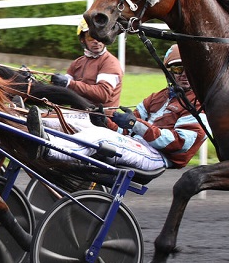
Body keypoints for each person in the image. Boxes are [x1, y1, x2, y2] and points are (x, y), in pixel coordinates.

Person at [41, 44, 208, 171]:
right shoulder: (157, 97)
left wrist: (136, 125)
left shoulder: (198, 104)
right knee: (84, 120)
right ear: (169, 72)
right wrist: (106, 122)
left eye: (189, 69)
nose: (184, 74)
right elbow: (126, 131)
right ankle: (35, 125)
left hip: (159, 156)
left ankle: (50, 149)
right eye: (178, 69)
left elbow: (180, 143)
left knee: (100, 136)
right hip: (137, 145)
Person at [51, 19, 123, 108]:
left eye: (100, 36)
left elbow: (103, 94)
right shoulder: (77, 63)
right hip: (77, 114)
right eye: (91, 37)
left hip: (101, 117)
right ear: (82, 39)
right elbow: (63, 91)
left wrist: (69, 83)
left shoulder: (110, 62)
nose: (96, 41)